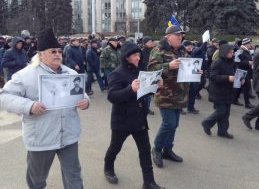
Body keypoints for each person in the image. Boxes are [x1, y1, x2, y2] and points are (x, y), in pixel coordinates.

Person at [0, 28, 89, 189]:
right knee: (38, 180)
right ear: (41, 54)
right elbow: (4, 97)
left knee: (74, 176)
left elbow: (80, 94)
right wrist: (30, 106)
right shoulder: (26, 75)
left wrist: (85, 101)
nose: (57, 54)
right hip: (41, 138)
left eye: (59, 51)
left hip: (68, 135)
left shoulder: (70, 73)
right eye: (52, 51)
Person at [104, 41, 165, 189]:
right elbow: (112, 96)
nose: (138, 58)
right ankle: (108, 168)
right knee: (115, 147)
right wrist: (130, 89)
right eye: (135, 55)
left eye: (139, 55)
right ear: (126, 57)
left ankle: (149, 182)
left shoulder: (140, 71)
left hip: (139, 118)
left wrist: (156, 86)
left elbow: (145, 91)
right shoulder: (117, 73)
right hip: (122, 120)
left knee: (145, 151)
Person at [148, 25, 189, 168]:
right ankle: (157, 149)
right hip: (165, 94)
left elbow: (187, 66)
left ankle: (168, 149)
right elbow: (151, 70)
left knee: (174, 124)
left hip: (179, 93)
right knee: (169, 124)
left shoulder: (181, 50)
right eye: (177, 35)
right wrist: (168, 66)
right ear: (168, 36)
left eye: (181, 35)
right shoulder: (158, 50)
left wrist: (195, 71)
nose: (180, 37)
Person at [201, 44, 236, 139]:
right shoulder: (217, 62)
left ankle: (222, 131)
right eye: (230, 52)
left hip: (227, 91)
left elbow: (233, 74)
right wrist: (228, 78)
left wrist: (239, 79)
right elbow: (213, 77)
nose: (232, 54)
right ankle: (206, 123)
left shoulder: (231, 62)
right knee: (221, 111)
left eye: (233, 52)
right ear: (224, 52)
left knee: (226, 113)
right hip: (218, 92)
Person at [232, 38, 255, 109]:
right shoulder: (240, 51)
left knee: (240, 87)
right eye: (250, 43)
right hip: (242, 71)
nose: (251, 44)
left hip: (245, 71)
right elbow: (237, 62)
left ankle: (234, 100)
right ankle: (247, 103)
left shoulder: (246, 51)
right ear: (247, 44)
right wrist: (248, 62)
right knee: (246, 87)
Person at [141, 36, 157, 115]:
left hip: (152, 75)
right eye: (151, 41)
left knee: (149, 94)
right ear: (145, 42)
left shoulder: (153, 50)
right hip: (145, 75)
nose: (152, 42)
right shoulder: (143, 52)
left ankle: (146, 108)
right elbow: (142, 64)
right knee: (146, 94)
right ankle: (145, 109)